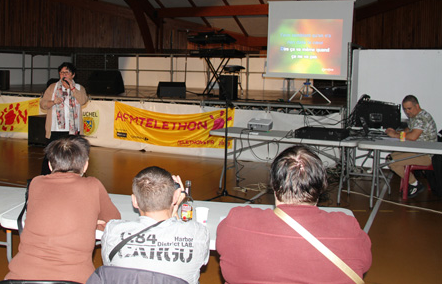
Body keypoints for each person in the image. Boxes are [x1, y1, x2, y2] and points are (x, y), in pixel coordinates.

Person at [216, 145, 371, 284]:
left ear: (273, 184)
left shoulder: (238, 220)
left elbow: (224, 251)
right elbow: (364, 263)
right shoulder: (347, 226)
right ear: (322, 185)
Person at [5, 135, 120, 282]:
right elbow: (114, 219)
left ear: (50, 166)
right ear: (85, 165)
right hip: (75, 279)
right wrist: (92, 222)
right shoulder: (93, 185)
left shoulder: (36, 183)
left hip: (20, 278)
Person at [100, 166, 210, 284]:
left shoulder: (113, 231)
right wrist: (175, 209)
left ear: (135, 201)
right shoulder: (198, 233)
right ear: (176, 196)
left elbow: (110, 269)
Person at [39, 62, 88, 175]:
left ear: (73, 75)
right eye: (61, 73)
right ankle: (45, 177)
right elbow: (42, 104)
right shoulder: (52, 87)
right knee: (50, 155)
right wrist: (53, 102)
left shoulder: (79, 88)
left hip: (72, 129)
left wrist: (73, 89)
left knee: (74, 154)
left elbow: (83, 100)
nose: (63, 75)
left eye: (66, 72)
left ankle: (74, 175)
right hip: (56, 129)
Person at [385, 95, 438, 198]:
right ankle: (413, 183)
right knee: (390, 158)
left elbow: (413, 136)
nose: (407, 111)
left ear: (417, 106)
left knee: (391, 161)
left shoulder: (421, 118)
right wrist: (395, 132)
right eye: (405, 109)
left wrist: (395, 135)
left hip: (426, 155)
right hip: (417, 151)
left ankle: (415, 184)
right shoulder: (414, 117)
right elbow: (408, 131)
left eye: (409, 108)